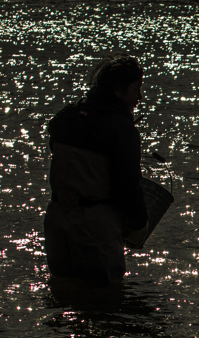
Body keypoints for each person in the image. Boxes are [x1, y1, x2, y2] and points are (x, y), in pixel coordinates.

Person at [43, 52, 149, 286]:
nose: (139, 97)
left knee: (63, 291)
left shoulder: (66, 118)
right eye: (137, 87)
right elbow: (127, 186)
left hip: (57, 219)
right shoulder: (120, 128)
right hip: (95, 225)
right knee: (104, 299)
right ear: (119, 89)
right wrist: (139, 224)